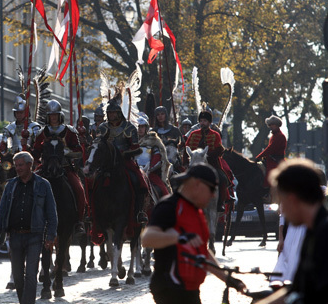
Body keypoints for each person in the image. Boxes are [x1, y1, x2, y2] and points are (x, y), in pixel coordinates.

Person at [141, 163, 245, 303]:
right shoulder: (169, 206)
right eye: (212, 189)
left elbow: (202, 251)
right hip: (170, 288)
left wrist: (227, 279)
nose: (214, 195)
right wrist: (179, 237)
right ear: (197, 184)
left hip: (190, 290)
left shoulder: (197, 212)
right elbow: (147, 238)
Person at [260, 159, 328, 304]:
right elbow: (297, 288)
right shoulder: (313, 233)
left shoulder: (325, 235)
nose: (282, 210)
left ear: (292, 199)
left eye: (282, 201)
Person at [0, 151, 57, 304]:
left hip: (35, 235)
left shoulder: (43, 184)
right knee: (18, 277)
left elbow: (51, 213)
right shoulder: (11, 185)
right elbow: (1, 211)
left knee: (31, 275)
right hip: (14, 236)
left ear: (30, 165)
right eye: (16, 166)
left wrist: (50, 236)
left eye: (21, 165)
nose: (18, 168)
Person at [32, 100, 87, 233]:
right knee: (30, 188)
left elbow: (79, 152)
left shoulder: (69, 131)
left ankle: (79, 221)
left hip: (65, 168)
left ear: (60, 115)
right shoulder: (41, 133)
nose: (54, 117)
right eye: (51, 115)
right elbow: (35, 153)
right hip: (45, 168)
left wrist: (68, 152)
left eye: (56, 115)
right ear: (48, 116)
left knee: (79, 190)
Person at [96, 99, 149, 223]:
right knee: (93, 181)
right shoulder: (103, 128)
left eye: (114, 113)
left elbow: (136, 149)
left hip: (125, 161)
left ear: (119, 113)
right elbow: (98, 145)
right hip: (107, 163)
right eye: (109, 113)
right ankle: (93, 211)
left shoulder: (129, 128)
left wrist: (124, 153)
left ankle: (140, 211)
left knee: (139, 180)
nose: (111, 115)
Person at [0, 95, 42, 207]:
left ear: (26, 112)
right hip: (12, 158)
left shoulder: (35, 128)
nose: (19, 115)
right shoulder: (10, 128)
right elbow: (5, 143)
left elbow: (38, 147)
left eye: (21, 112)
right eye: (17, 113)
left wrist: (27, 146)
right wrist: (3, 148)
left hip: (31, 158)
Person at [185, 107, 233, 211]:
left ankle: (220, 203)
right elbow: (187, 147)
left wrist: (208, 155)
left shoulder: (215, 134)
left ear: (209, 122)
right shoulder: (193, 134)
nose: (202, 123)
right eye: (201, 121)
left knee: (222, 178)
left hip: (212, 163)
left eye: (205, 121)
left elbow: (219, 149)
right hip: (195, 163)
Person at [256, 115, 287, 192]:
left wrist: (259, 156)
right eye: (269, 125)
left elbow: (270, 149)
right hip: (271, 159)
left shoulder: (280, 136)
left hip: (276, 160)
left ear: (276, 125)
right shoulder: (273, 136)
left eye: (272, 125)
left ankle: (267, 190)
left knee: (270, 173)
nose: (270, 127)